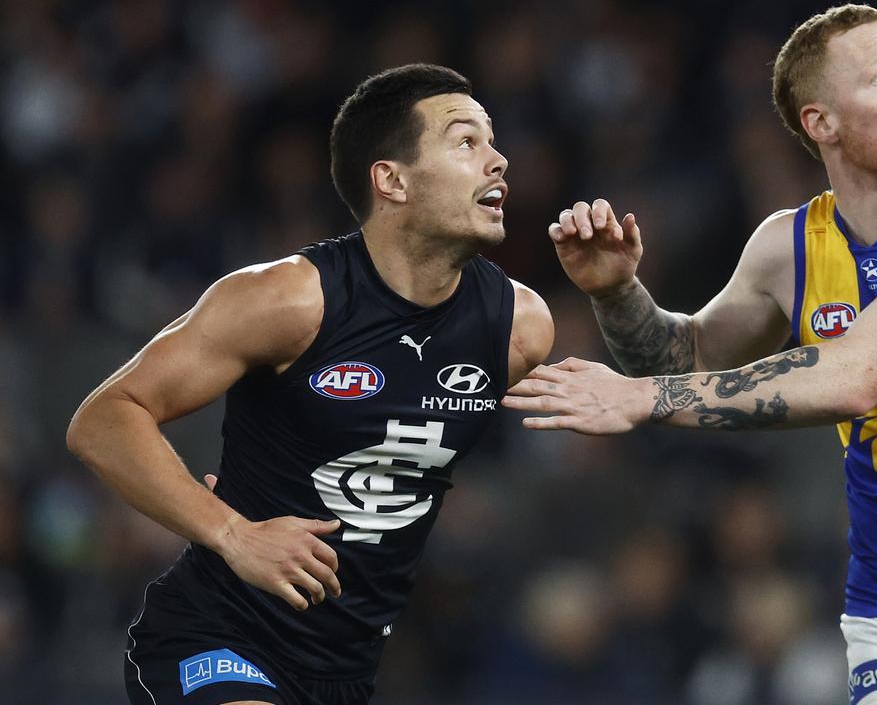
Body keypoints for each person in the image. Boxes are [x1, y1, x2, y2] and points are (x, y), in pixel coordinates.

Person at [503, 4, 877, 705]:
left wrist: (642, 402)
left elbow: (855, 375)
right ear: (820, 121)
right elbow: (682, 363)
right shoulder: (786, 248)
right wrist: (617, 294)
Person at [67, 63, 553, 705]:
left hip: (346, 672)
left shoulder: (519, 327)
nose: (498, 161)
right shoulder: (289, 300)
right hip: (218, 638)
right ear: (392, 180)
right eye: (467, 141)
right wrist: (231, 532)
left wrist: (617, 294)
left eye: (492, 141)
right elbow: (104, 418)